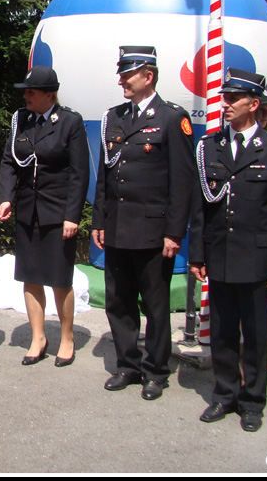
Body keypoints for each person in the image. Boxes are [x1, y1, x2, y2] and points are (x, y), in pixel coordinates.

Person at [189, 68, 267, 432]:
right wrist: (198, 254)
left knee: (254, 334)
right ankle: (224, 394)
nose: (226, 104)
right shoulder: (211, 146)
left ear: (254, 104)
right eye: (225, 97)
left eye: (234, 98)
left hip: (256, 257)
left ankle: (252, 402)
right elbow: (200, 207)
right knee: (220, 332)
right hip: (219, 255)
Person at [92, 46, 195, 400]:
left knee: (155, 304)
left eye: (128, 73)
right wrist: (99, 220)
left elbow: (182, 182)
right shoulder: (114, 117)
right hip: (118, 226)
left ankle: (155, 371)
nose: (121, 78)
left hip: (153, 231)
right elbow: (105, 175)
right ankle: (128, 365)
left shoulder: (171, 118)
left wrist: (174, 232)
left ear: (148, 76)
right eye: (121, 73)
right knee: (118, 302)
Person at [0, 66, 89, 367]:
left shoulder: (69, 122)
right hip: (27, 210)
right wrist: (7, 198)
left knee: (60, 279)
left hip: (57, 211)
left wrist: (72, 215)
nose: (25, 96)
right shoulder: (20, 120)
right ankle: (38, 337)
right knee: (30, 276)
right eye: (25, 91)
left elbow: (79, 173)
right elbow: (10, 161)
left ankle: (66, 337)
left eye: (31, 92)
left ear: (49, 95)